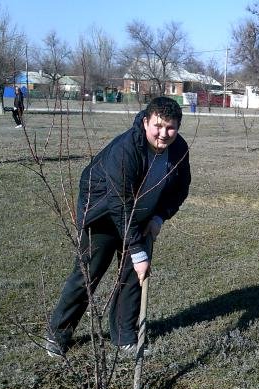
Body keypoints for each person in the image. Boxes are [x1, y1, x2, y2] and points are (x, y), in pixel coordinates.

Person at [45, 96, 191, 357]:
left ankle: (124, 336)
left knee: (133, 279)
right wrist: (137, 251)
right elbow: (119, 201)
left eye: (171, 127)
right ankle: (58, 334)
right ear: (145, 122)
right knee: (87, 277)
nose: (164, 133)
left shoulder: (179, 149)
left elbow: (180, 189)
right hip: (103, 217)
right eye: (158, 126)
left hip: (142, 219)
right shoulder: (126, 149)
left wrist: (159, 218)